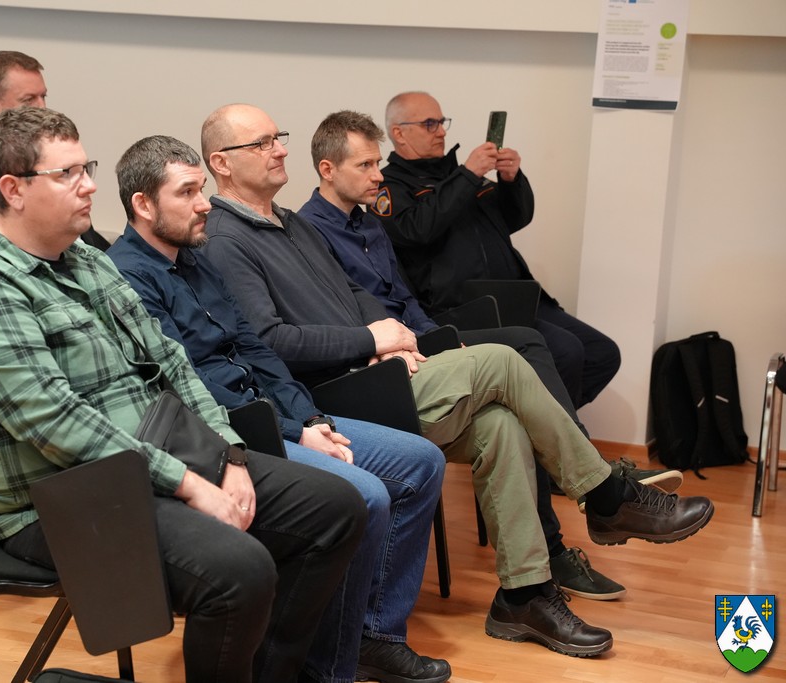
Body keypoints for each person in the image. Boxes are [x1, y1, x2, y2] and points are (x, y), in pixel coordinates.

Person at [198, 103, 714, 658]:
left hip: (378, 371)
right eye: (261, 143)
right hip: (333, 398)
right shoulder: (225, 239)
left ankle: (524, 596)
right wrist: (371, 342)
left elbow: (354, 294)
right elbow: (270, 341)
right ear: (221, 163)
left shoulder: (290, 223)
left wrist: (399, 338)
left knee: (500, 427)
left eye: (278, 137)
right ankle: (607, 494)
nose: (279, 149)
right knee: (503, 359)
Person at [0, 105, 366, 683]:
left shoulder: (84, 259)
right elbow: (58, 424)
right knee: (240, 570)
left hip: (153, 459)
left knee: (335, 508)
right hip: (59, 498)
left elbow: (172, 361)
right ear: (13, 190)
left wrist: (228, 453)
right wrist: (191, 485)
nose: (89, 185)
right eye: (67, 174)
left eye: (86, 168)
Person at [298, 110, 683, 602]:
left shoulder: (368, 224)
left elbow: (405, 299)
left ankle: (532, 583)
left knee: (512, 412)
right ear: (328, 169)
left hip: (414, 343)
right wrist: (400, 342)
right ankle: (601, 488)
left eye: (378, 163)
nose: (378, 175)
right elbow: (347, 315)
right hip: (379, 367)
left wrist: (437, 338)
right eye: (366, 165)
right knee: (513, 351)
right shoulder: (310, 232)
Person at [108, 134, 450, 683]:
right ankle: (326, 669)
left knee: (421, 462)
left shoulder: (196, 259)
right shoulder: (126, 276)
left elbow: (257, 348)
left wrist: (310, 419)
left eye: (201, 189)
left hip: (279, 412)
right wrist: (295, 428)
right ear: (143, 205)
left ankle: (373, 636)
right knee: (364, 494)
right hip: (227, 430)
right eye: (187, 192)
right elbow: (186, 384)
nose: (204, 204)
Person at [373, 91, 620, 409]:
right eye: (430, 124)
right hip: (465, 307)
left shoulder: (458, 176)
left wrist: (511, 180)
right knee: (567, 351)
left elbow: (514, 218)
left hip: (517, 296)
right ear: (399, 133)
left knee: (602, 353)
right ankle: (555, 433)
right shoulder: (389, 186)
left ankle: (541, 422)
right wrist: (468, 175)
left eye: (442, 122)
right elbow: (416, 230)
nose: (442, 131)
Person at [0, 50, 109, 249]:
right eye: (28, 100)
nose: (42, 107)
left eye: (43, 96)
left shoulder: (53, 156)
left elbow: (88, 241)